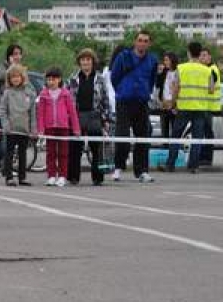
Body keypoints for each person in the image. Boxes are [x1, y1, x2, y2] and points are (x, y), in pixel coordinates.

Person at [109, 30, 158, 183]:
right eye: (140, 40)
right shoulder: (123, 57)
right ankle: (118, 167)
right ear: (135, 42)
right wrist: (123, 90)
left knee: (143, 137)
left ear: (149, 43)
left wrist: (146, 92)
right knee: (122, 135)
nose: (142, 43)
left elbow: (152, 79)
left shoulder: (152, 60)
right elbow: (114, 77)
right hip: (124, 101)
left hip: (141, 102)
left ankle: (142, 170)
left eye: (145, 41)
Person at [166, 42, 215, 175]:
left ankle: (170, 164)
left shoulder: (181, 68)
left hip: (184, 107)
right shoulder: (207, 70)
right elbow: (211, 89)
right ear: (200, 54)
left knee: (176, 136)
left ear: (188, 52)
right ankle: (193, 166)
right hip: (200, 108)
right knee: (197, 138)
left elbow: (176, 88)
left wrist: (173, 103)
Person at [67, 49, 111, 186]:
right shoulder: (72, 79)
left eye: (88, 60)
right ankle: (73, 176)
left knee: (96, 148)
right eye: (83, 60)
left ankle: (97, 177)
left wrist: (106, 120)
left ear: (93, 62)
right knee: (75, 148)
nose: (85, 62)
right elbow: (67, 99)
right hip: (77, 115)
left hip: (94, 115)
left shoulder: (100, 79)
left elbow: (105, 100)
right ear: (79, 62)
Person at [0, 44, 24, 175]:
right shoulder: (4, 67)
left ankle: (5, 167)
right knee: (5, 136)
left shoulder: (19, 69)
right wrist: (13, 67)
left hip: (12, 108)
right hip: (0, 106)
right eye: (14, 54)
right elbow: (3, 77)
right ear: (9, 56)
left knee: (9, 137)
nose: (17, 56)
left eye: (19, 54)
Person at [37, 68, 78, 187]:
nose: (51, 82)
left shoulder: (66, 94)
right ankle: (51, 176)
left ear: (59, 79)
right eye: (48, 79)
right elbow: (40, 113)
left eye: (53, 79)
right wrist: (41, 129)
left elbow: (72, 112)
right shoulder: (43, 94)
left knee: (63, 153)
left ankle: (62, 176)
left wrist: (76, 129)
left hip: (63, 127)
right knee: (50, 153)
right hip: (49, 127)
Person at [0, 64, 36, 186]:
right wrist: (5, 124)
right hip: (11, 130)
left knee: (22, 154)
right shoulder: (7, 93)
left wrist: (33, 129)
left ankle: (22, 177)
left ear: (22, 77)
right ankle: (9, 177)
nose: (15, 79)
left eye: (17, 76)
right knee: (9, 154)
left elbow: (32, 112)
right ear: (9, 79)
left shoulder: (29, 93)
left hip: (24, 130)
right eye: (12, 77)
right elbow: (2, 110)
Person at [198, 47, 223, 166]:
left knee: (207, 132)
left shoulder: (211, 70)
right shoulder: (207, 69)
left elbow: (211, 89)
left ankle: (206, 158)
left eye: (204, 55)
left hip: (209, 106)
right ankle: (204, 157)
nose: (202, 58)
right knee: (204, 131)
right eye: (200, 56)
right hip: (206, 106)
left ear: (209, 57)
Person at [156, 52, 179, 139]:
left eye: (167, 60)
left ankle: (174, 150)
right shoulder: (164, 72)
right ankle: (165, 148)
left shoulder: (178, 71)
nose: (165, 62)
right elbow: (158, 85)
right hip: (164, 104)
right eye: (164, 60)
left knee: (175, 130)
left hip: (174, 105)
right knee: (164, 130)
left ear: (172, 60)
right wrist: (159, 73)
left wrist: (175, 103)